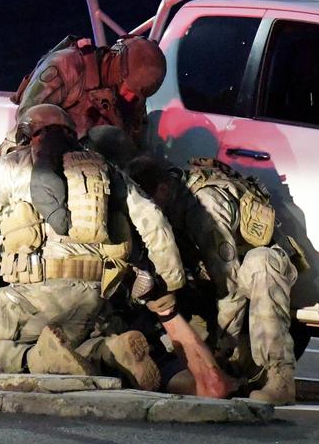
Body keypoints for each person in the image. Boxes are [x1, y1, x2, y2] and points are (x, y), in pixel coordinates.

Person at [0, 104, 184, 391]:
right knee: (74, 342)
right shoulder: (103, 169)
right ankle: (109, 351)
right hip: (95, 296)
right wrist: (170, 281)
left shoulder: (12, 167)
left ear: (25, 133)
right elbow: (153, 220)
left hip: (32, 294)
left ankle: (37, 359)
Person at [128, 156, 303, 405]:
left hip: (244, 278)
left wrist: (220, 354)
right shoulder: (167, 202)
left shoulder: (206, 207)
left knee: (262, 262)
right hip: (205, 285)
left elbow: (229, 286)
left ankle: (279, 378)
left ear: (163, 189)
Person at [10, 35, 167, 145]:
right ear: (116, 69)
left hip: (94, 169)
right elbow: (27, 119)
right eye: (128, 89)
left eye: (137, 95)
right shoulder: (67, 65)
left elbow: (135, 147)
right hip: (38, 155)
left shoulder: (135, 94)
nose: (130, 97)